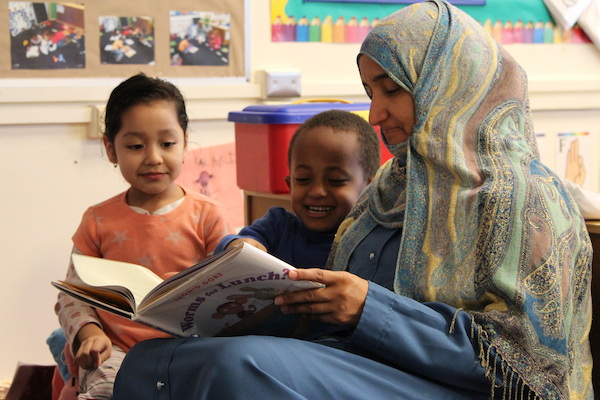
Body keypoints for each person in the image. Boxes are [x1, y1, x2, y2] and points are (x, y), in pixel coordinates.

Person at [113, 1, 593, 399]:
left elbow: (525, 365)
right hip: (373, 363)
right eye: (369, 91)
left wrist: (368, 309)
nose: (375, 112)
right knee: (151, 359)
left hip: (458, 387)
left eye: (392, 89)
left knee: (236, 368)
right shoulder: (391, 185)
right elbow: (338, 307)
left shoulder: (527, 200)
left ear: (450, 83)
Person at [54, 73, 234, 400]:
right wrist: (90, 333)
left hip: (189, 348)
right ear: (110, 149)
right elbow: (72, 296)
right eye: (135, 146)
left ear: (185, 141)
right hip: (116, 349)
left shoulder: (209, 215)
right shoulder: (97, 220)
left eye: (167, 143)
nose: (152, 157)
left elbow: (227, 292)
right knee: (106, 390)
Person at [214, 109, 381, 268]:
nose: (316, 191)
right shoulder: (278, 227)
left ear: (369, 188)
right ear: (290, 185)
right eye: (303, 179)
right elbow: (234, 243)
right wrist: (238, 246)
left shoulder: (374, 242)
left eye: (335, 180)